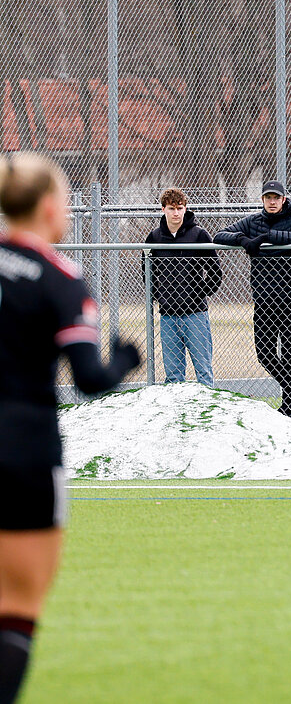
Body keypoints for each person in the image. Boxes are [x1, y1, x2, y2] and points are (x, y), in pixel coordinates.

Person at [0, 152, 141, 704]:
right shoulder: (61, 279)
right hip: (26, 449)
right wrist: (124, 359)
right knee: (18, 607)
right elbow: (89, 379)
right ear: (50, 206)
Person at [215, 180, 291, 421]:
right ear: (262, 200)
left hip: (290, 296)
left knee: (290, 352)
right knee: (265, 353)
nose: (272, 201)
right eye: (268, 197)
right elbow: (220, 235)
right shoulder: (252, 221)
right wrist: (242, 239)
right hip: (264, 297)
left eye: (276, 198)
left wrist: (268, 237)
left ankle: (289, 405)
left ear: (283, 199)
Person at [144, 187, 221, 388]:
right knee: (173, 376)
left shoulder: (199, 235)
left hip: (195, 314)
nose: (176, 213)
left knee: (203, 372)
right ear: (163, 209)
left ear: (185, 208)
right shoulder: (154, 237)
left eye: (180, 208)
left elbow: (215, 271)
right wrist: (158, 294)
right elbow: (147, 272)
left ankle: (206, 416)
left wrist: (199, 292)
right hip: (168, 315)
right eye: (171, 208)